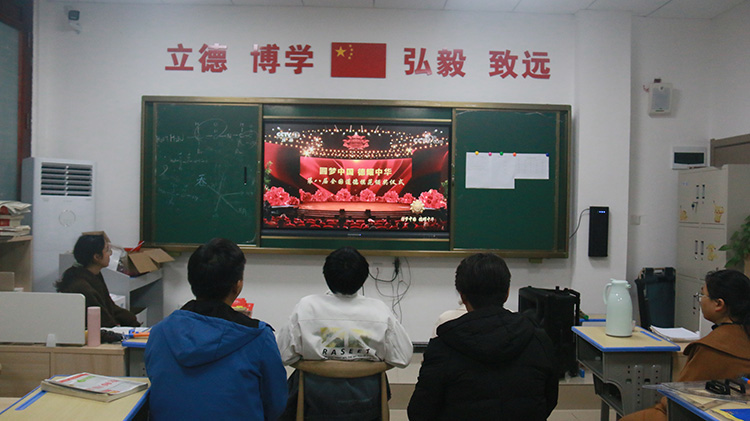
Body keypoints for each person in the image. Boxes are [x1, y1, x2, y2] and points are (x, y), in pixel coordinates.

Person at [145, 238, 287, 420]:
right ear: (238, 286)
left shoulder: (160, 332)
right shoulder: (259, 337)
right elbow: (276, 404)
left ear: (192, 281)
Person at [408, 253, 558, 421]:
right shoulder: (538, 339)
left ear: (462, 296)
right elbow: (549, 399)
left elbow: (419, 412)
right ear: (507, 293)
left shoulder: (442, 347)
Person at [276, 246, 413, 420]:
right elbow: (403, 357)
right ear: (363, 279)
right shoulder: (378, 310)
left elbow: (282, 355)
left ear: (326, 276)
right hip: (367, 405)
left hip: (315, 404)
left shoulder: (306, 307)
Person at [622, 269, 750, 421]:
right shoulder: (741, 336)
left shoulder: (712, 348)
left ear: (719, 304)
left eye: (703, 295)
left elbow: (679, 398)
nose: (700, 300)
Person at [56, 233, 140, 328]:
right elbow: (102, 320)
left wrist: (133, 321)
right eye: (107, 250)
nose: (110, 254)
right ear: (96, 257)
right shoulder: (80, 286)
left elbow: (110, 306)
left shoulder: (94, 274)